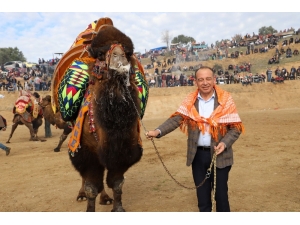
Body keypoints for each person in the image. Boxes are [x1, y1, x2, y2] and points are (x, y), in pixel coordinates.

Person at [146, 66, 244, 212]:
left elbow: (235, 128)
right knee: (203, 200)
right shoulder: (190, 101)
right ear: (196, 82)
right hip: (197, 156)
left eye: (208, 79)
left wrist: (224, 143)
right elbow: (176, 119)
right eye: (201, 79)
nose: (205, 83)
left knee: (221, 197)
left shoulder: (225, 100)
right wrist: (157, 131)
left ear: (214, 80)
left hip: (220, 156)